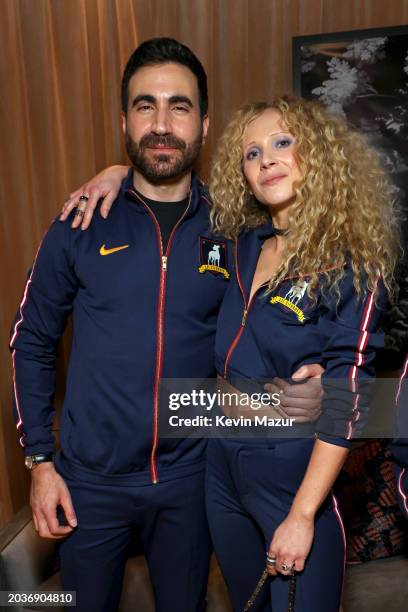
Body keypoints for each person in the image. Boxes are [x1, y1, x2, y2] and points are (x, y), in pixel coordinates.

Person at [11, 39, 321, 612]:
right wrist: (39, 461)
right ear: (123, 119)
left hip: (193, 477)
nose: (160, 123)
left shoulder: (236, 228)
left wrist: (310, 387)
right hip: (89, 485)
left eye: (178, 106)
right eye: (144, 105)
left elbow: (305, 278)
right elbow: (30, 339)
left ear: (203, 124)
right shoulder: (79, 223)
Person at [204, 97, 398, 611]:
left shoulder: (350, 262)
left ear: (317, 155)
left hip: (290, 473)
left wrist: (302, 515)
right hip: (221, 467)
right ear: (241, 175)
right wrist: (116, 174)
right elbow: (167, 209)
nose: (266, 159)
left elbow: (348, 395)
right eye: (251, 152)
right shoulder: (240, 246)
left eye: (282, 143)